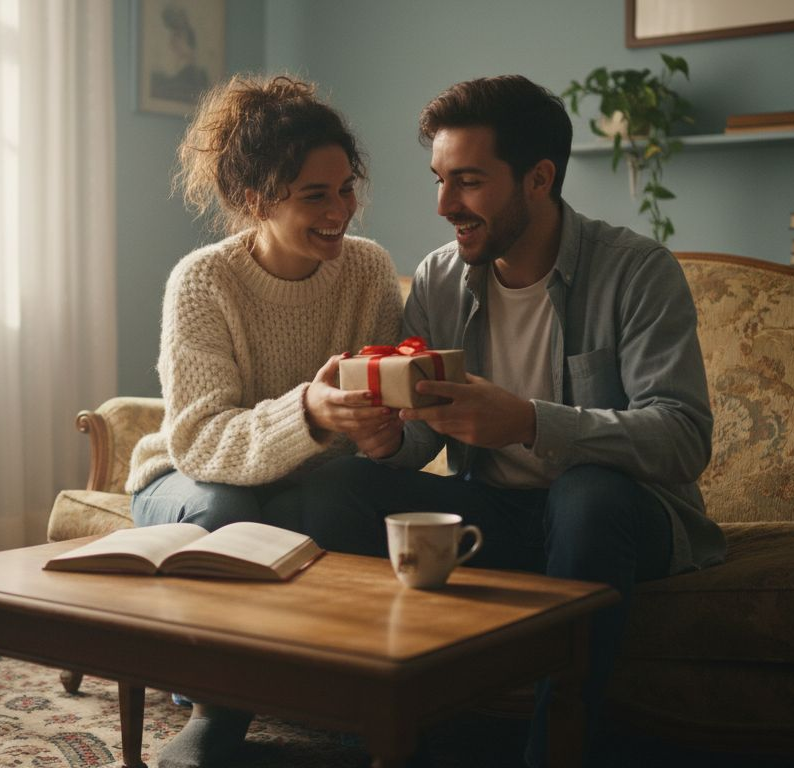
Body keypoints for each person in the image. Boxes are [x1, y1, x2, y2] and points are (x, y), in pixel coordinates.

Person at [295, 75, 726, 767]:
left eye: (466, 181)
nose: (443, 205)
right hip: (492, 513)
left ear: (538, 178)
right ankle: (385, 733)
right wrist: (387, 440)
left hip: (613, 520)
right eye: (438, 180)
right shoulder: (440, 279)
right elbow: (424, 434)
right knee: (337, 487)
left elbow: (682, 437)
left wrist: (529, 422)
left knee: (586, 493)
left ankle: (556, 746)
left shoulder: (637, 272)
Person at [125, 73, 403, 768]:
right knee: (229, 508)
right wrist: (307, 411)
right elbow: (199, 439)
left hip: (308, 481)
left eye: (346, 189)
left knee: (336, 494)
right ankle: (220, 711)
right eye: (316, 195)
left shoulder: (368, 272)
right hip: (186, 478)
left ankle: (350, 701)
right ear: (256, 200)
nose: (340, 209)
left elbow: (387, 411)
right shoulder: (204, 281)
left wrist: (381, 432)